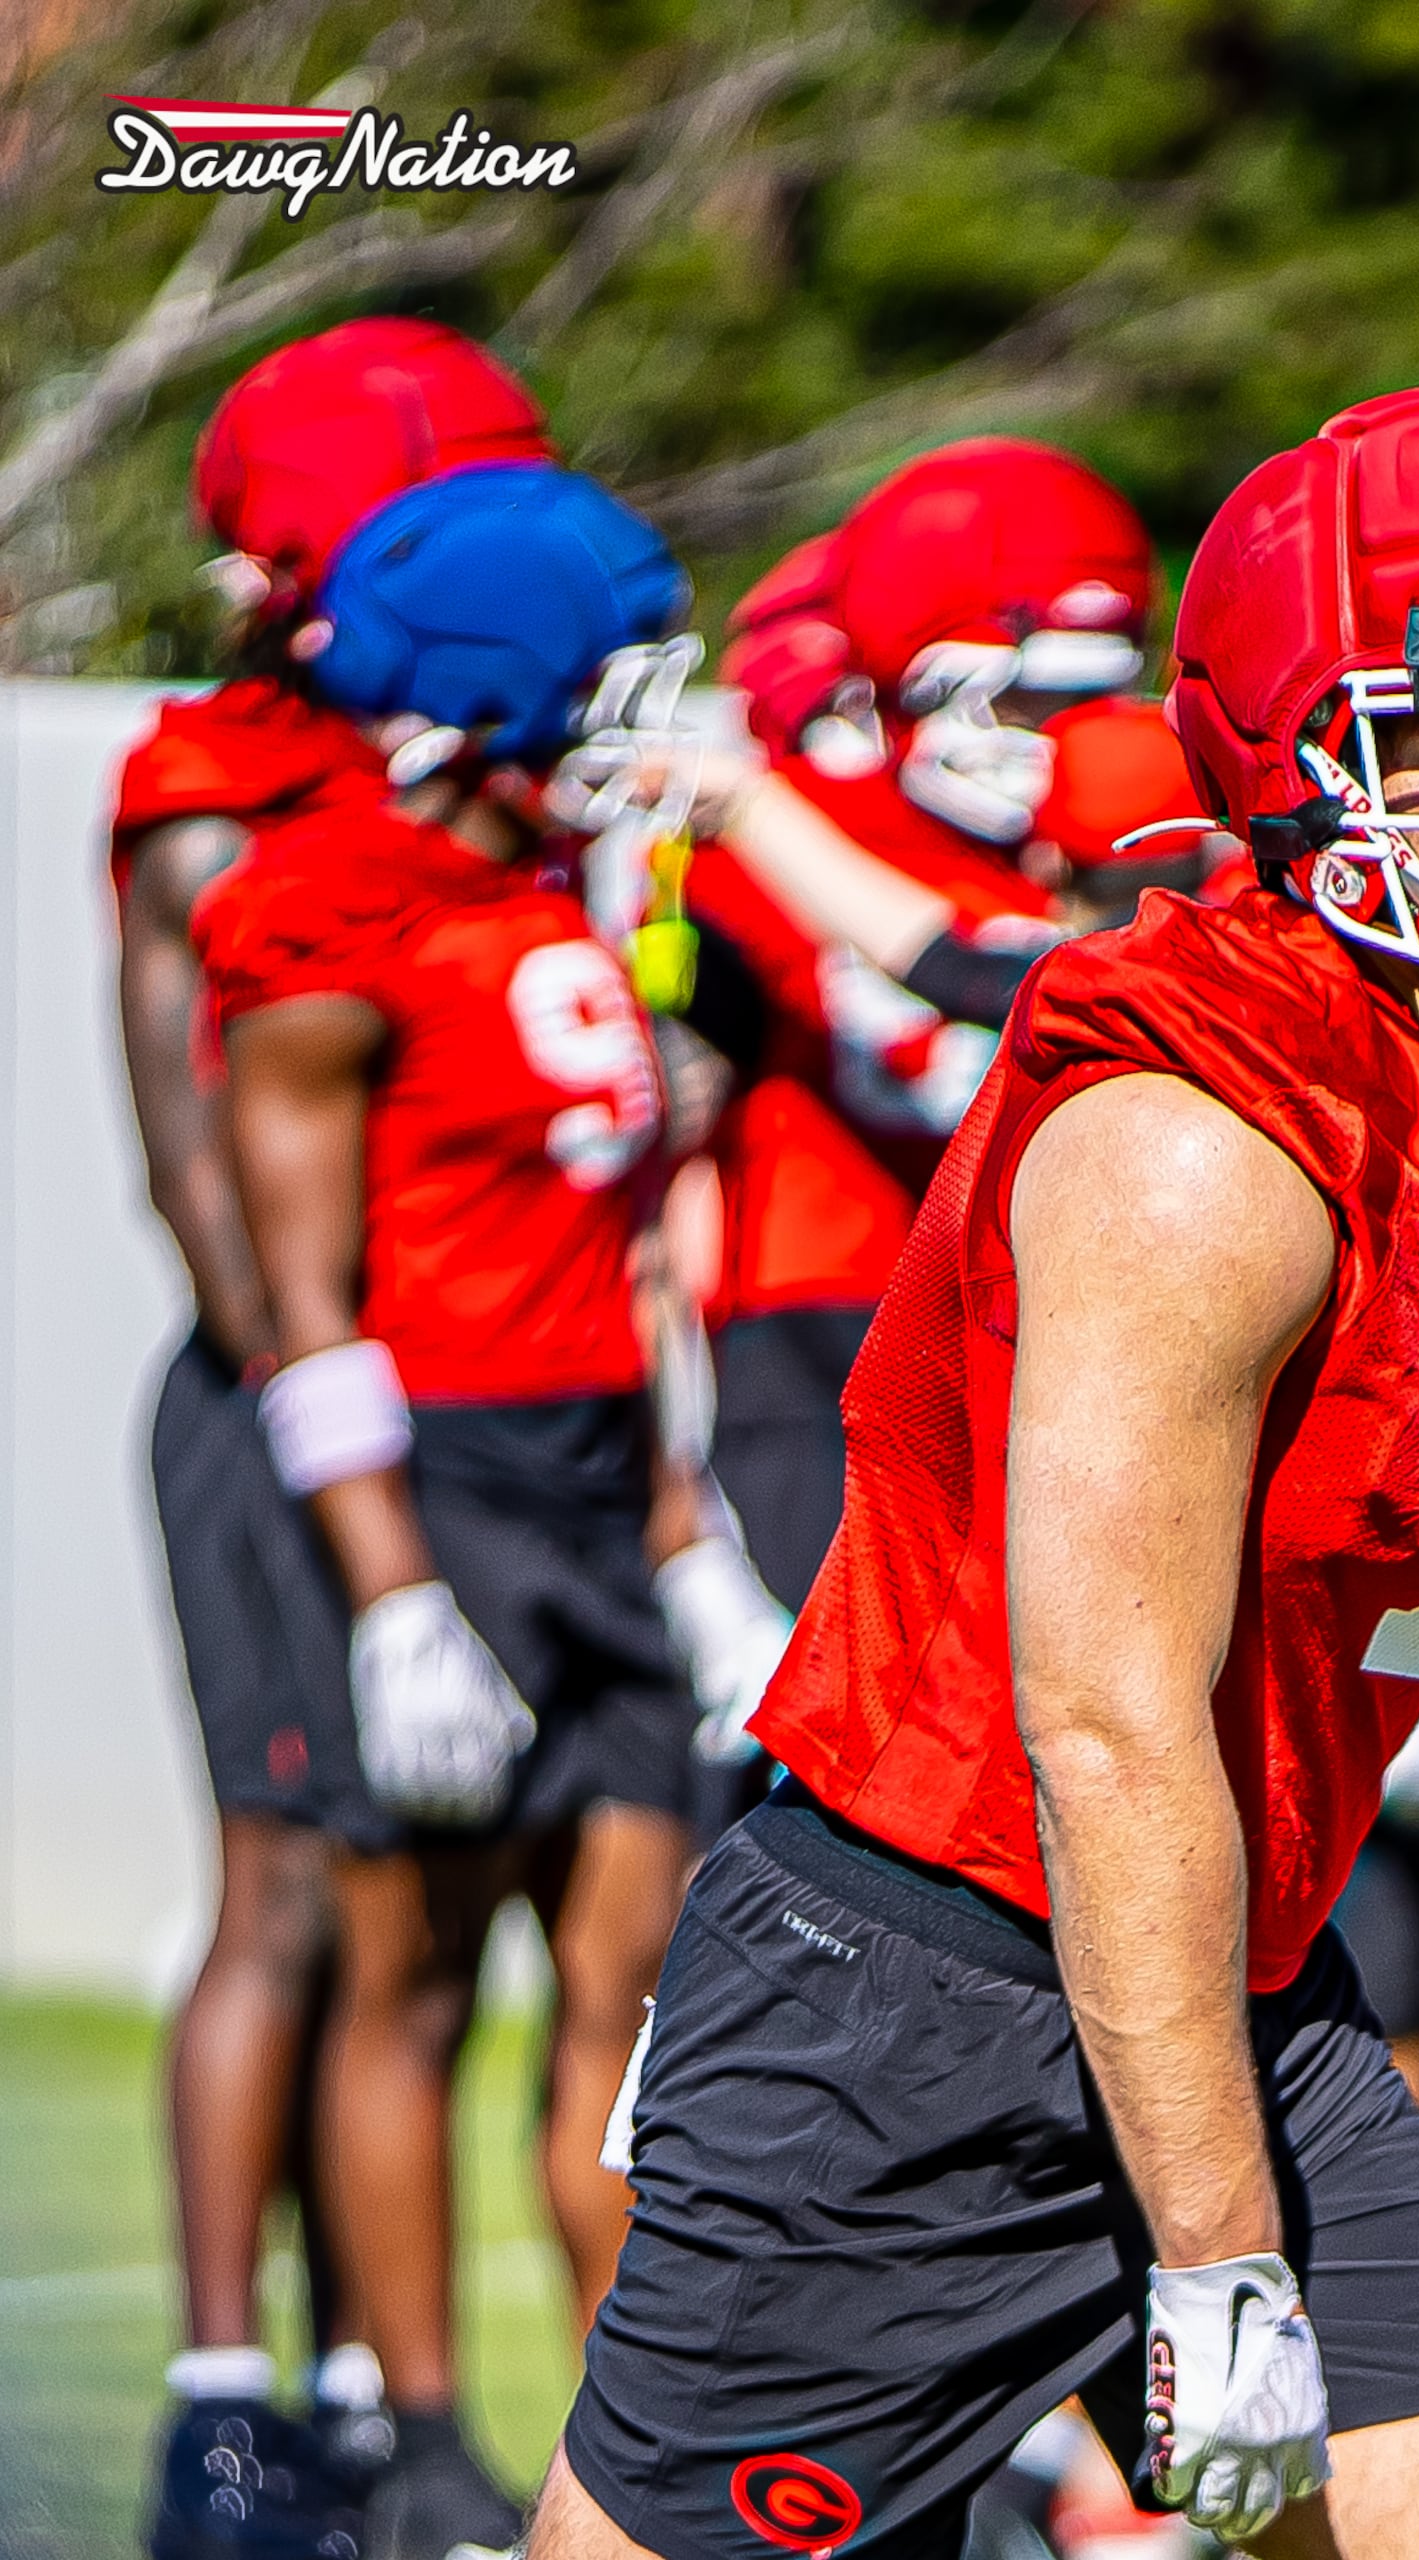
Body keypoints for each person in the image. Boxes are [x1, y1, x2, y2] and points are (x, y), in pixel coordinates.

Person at [529, 385, 1419, 2560]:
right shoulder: (1200, 1137)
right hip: (907, 2010)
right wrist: (1215, 2261)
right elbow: (1103, 1734)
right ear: (1306, 756)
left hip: (1242, 1988)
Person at [198, 461, 712, 2560]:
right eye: (613, 679)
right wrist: (392, 1589)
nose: (654, 719)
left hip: (592, 1480)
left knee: (634, 1986)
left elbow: (636, 1245)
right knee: (404, 1977)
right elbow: (298, 1287)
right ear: (505, 695)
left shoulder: (572, 885)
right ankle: (415, 2435)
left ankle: (637, 2449)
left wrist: (695, 1543)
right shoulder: (325, 907)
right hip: (439, 1486)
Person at [107, 315, 552, 2560]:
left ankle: (375, 2386)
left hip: (475, 1422)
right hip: (299, 1407)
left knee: (426, 1933)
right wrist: (337, 1435)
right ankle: (222, 2405)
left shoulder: (492, 776)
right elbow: (206, 1180)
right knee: (284, 1893)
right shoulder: (225, 784)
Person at [664, 444, 1144, 1705]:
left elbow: (978, 966)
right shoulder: (796, 830)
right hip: (820, 1323)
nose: (1064, 743)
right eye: (1033, 705)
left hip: (1027, 1334)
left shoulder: (1092, 858)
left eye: (1091, 703)